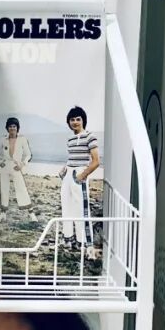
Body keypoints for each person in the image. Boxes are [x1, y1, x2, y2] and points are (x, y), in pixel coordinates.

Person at [60, 105, 101, 253]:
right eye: (72, 120)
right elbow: (72, 157)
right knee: (66, 205)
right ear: (68, 122)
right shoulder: (70, 139)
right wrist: (64, 168)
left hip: (80, 173)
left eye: (78, 119)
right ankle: (68, 240)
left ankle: (82, 242)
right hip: (68, 174)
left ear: (83, 120)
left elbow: (96, 161)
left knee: (80, 209)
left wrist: (82, 176)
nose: (75, 122)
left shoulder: (90, 136)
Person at [0, 115, 32, 217]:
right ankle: (3, 214)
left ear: (17, 128)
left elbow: (28, 154)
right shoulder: (3, 139)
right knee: (4, 189)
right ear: (7, 128)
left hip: (16, 167)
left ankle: (31, 214)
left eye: (14, 126)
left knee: (21, 188)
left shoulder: (22, 139)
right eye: (10, 126)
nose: (12, 128)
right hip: (5, 167)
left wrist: (22, 164)